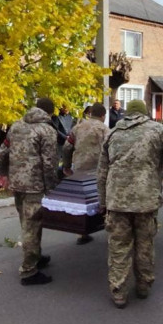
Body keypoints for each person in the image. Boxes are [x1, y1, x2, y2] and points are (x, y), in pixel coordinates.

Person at [98, 100, 163, 308]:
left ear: (128, 113)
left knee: (119, 247)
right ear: (145, 113)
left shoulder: (112, 134)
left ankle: (119, 292)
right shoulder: (159, 131)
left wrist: (103, 201)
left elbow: (102, 172)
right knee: (145, 245)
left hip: (117, 202)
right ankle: (144, 285)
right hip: (146, 202)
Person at [0, 97, 59, 285]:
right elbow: (49, 163)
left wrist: (3, 173)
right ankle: (28, 271)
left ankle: (36, 256)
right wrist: (52, 187)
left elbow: (2, 152)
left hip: (17, 184)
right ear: (49, 112)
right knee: (32, 226)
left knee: (27, 223)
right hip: (35, 185)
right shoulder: (47, 130)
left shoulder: (16, 126)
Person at [61, 102, 109, 245]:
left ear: (90, 113)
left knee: (83, 200)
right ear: (103, 115)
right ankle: (106, 224)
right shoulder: (105, 130)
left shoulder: (78, 127)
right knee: (101, 198)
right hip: (98, 170)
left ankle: (83, 232)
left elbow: (66, 147)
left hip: (80, 168)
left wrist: (66, 165)